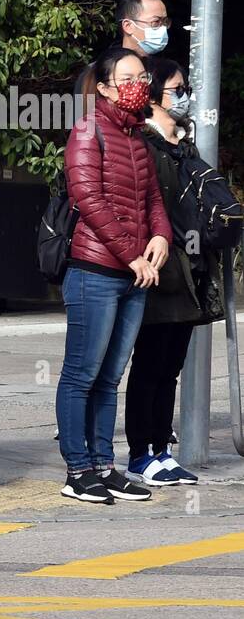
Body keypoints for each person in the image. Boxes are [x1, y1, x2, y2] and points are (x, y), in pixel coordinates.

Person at [56, 46, 171, 505]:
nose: (137, 84)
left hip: (133, 274)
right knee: (81, 374)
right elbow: (88, 199)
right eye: (127, 78)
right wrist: (132, 257)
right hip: (95, 271)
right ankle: (77, 469)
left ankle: (104, 464)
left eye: (142, 76)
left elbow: (153, 201)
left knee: (109, 377)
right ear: (104, 87)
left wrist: (160, 237)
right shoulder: (88, 131)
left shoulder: (138, 137)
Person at [123, 58, 219, 487]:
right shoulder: (140, 141)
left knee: (170, 365)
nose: (185, 96)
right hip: (159, 265)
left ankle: (162, 450)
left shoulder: (183, 143)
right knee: (149, 362)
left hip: (189, 266)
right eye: (176, 89)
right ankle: (139, 453)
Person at [74, 0, 171, 97]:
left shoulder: (167, 72)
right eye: (155, 22)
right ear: (128, 26)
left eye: (165, 22)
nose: (163, 28)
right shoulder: (97, 73)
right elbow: (83, 113)